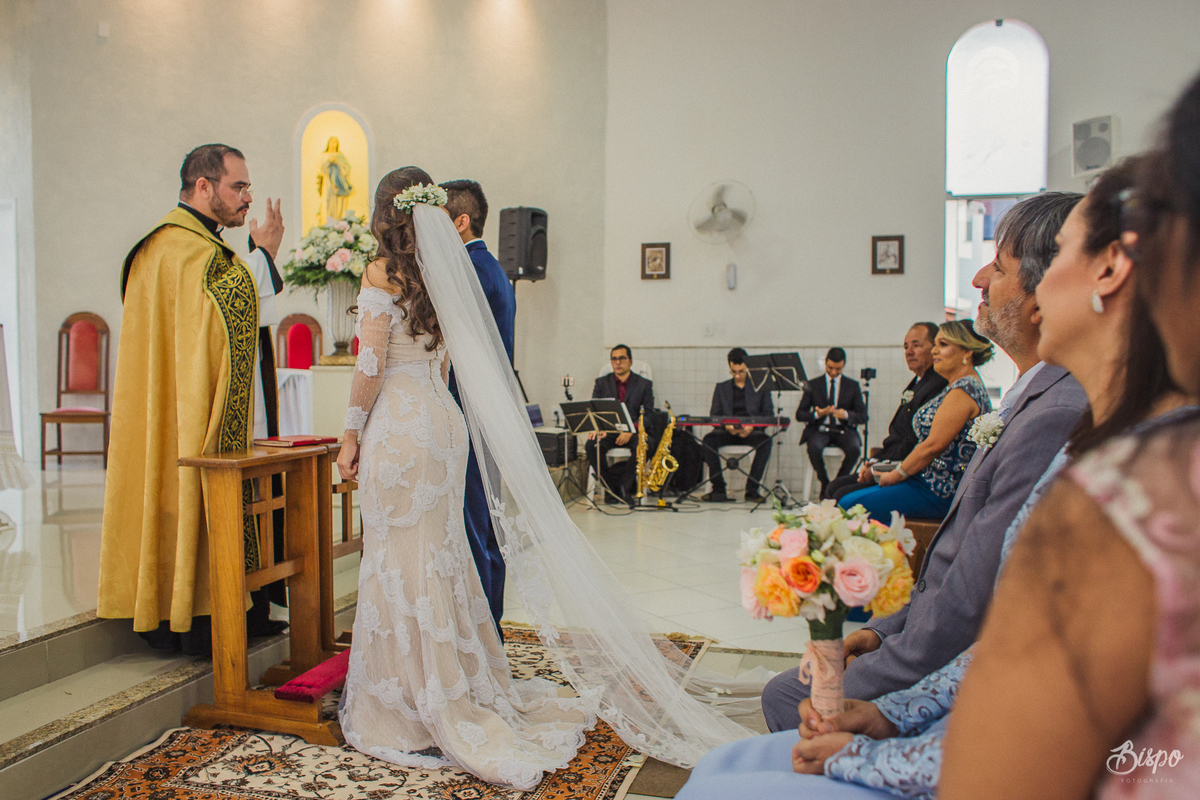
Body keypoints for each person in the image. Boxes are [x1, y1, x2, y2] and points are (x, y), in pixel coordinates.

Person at [674, 156, 1193, 800]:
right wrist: (895, 710)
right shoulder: (1107, 430)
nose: (980, 279)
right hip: (959, 709)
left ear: (1108, 272)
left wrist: (869, 752)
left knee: (728, 775)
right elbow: (1015, 635)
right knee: (721, 771)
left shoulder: (1141, 464)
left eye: (1003, 264)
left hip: (996, 756)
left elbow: (1066, 723)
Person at [335, 168, 770, 790]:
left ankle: (408, 700)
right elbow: (451, 363)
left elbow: (371, 365)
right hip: (442, 421)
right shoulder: (442, 272)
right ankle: (454, 684)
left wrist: (350, 433)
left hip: (401, 426)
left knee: (400, 556)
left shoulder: (381, 273)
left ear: (385, 214)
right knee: (439, 555)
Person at [941, 74, 1200, 799]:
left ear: (1113, 268)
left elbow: (997, 774)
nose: (993, 282)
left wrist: (859, 747)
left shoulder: (1138, 491)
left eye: (1055, 257)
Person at [760, 191, 1088, 733]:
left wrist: (881, 667)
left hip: (952, 663)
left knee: (783, 697)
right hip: (920, 627)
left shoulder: (1053, 413)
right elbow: (956, 573)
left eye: (997, 267)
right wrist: (883, 631)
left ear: (1042, 300)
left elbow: (970, 600)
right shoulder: (1034, 395)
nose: (978, 278)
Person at [98, 144, 286, 655]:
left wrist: (257, 258)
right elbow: (227, 300)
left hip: (195, 401)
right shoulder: (175, 247)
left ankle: (242, 608)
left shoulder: (196, 247)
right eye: (238, 186)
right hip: (185, 411)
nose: (247, 197)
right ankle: (196, 618)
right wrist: (265, 256)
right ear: (203, 186)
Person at [440, 178, 515, 637]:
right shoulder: (491, 267)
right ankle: (492, 626)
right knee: (486, 521)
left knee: (474, 522)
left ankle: (484, 630)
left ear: (460, 221)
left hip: (470, 411)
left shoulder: (470, 271)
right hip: (488, 411)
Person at [837, 321, 992, 520]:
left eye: (943, 344)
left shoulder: (964, 390)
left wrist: (895, 475)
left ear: (967, 351)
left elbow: (932, 446)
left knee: (849, 505)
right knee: (847, 499)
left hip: (938, 489)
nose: (934, 351)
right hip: (925, 480)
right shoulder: (958, 387)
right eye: (935, 344)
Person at [825, 323, 947, 501]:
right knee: (834, 486)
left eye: (916, 345)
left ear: (934, 348)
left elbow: (912, 440)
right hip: (890, 460)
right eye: (906, 347)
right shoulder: (917, 383)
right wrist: (876, 461)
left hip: (907, 469)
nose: (909, 352)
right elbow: (897, 434)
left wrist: (880, 466)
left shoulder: (936, 385)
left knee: (842, 494)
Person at [701, 348, 775, 502]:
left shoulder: (760, 387)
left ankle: (752, 490)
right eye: (733, 372)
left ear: (747, 367)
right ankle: (718, 489)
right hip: (727, 431)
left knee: (766, 442)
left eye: (741, 371)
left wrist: (753, 427)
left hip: (751, 431)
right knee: (708, 441)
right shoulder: (721, 388)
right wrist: (726, 426)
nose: (737, 375)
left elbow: (768, 414)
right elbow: (714, 415)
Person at [586, 344, 654, 503]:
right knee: (591, 445)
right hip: (609, 431)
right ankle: (611, 487)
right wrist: (598, 427)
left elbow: (649, 414)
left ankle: (624, 485)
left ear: (630, 361)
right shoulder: (602, 383)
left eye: (622, 358)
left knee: (646, 445)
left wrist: (632, 429)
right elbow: (595, 409)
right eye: (614, 359)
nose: (618, 362)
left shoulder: (644, 384)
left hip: (634, 432)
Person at [796, 348, 867, 497]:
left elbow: (863, 416)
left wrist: (845, 414)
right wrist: (817, 414)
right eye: (830, 368)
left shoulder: (852, 386)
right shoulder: (813, 384)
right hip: (820, 429)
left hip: (844, 429)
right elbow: (800, 414)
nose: (833, 372)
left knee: (854, 449)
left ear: (844, 365)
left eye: (838, 369)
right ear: (826, 363)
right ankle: (825, 483)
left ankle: (837, 484)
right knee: (814, 447)